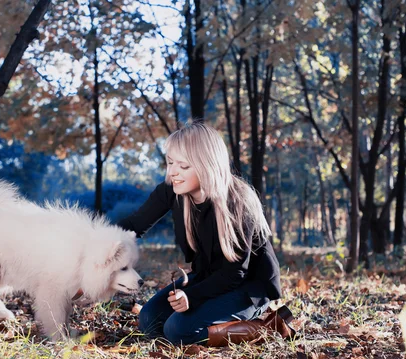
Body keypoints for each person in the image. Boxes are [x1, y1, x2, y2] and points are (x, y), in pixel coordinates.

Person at [118, 122, 295, 346]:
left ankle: (268, 328)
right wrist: (93, 244)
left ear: (206, 165)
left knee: (178, 331)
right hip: (207, 277)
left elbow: (234, 274)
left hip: (247, 286)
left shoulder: (239, 203)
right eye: (171, 162)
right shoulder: (172, 191)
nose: (172, 172)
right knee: (149, 321)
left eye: (183, 166)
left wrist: (191, 296)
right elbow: (134, 224)